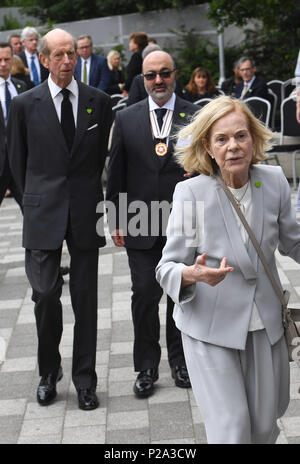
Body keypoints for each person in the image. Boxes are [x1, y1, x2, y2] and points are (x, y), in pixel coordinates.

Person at [156, 95, 300, 444]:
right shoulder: (191, 192)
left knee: (265, 427)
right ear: (208, 145)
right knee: (233, 431)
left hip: (265, 326)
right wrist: (191, 275)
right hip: (210, 327)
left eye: (240, 136)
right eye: (221, 139)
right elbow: (166, 267)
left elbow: (293, 242)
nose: (233, 146)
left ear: (254, 138)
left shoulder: (274, 181)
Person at [7, 28, 112, 410]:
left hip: (84, 212)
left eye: (72, 54)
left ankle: (85, 380)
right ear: (46, 58)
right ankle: (48, 372)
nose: (67, 61)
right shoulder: (24, 104)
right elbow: (17, 163)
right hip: (42, 213)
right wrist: (32, 202)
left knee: (86, 302)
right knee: (46, 296)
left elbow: (98, 156)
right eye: (59, 55)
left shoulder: (98, 102)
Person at [106, 50, 198, 398]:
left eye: (164, 73)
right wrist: (115, 216)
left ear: (175, 74)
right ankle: (146, 366)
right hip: (139, 220)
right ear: (141, 79)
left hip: (184, 221)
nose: (158, 81)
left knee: (182, 293)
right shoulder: (126, 118)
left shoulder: (193, 114)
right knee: (144, 293)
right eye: (150, 75)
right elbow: (115, 173)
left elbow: (209, 165)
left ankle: (181, 362)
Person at [0, 42, 28, 208]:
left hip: (20, 162)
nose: (3, 64)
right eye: (0, 59)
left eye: (7, 59)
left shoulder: (21, 86)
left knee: (31, 210)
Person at [122, 32, 148, 97]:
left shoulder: (136, 56)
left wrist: (126, 88)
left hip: (137, 90)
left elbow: (132, 74)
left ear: (137, 44)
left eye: (131, 42)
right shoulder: (144, 54)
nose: (129, 44)